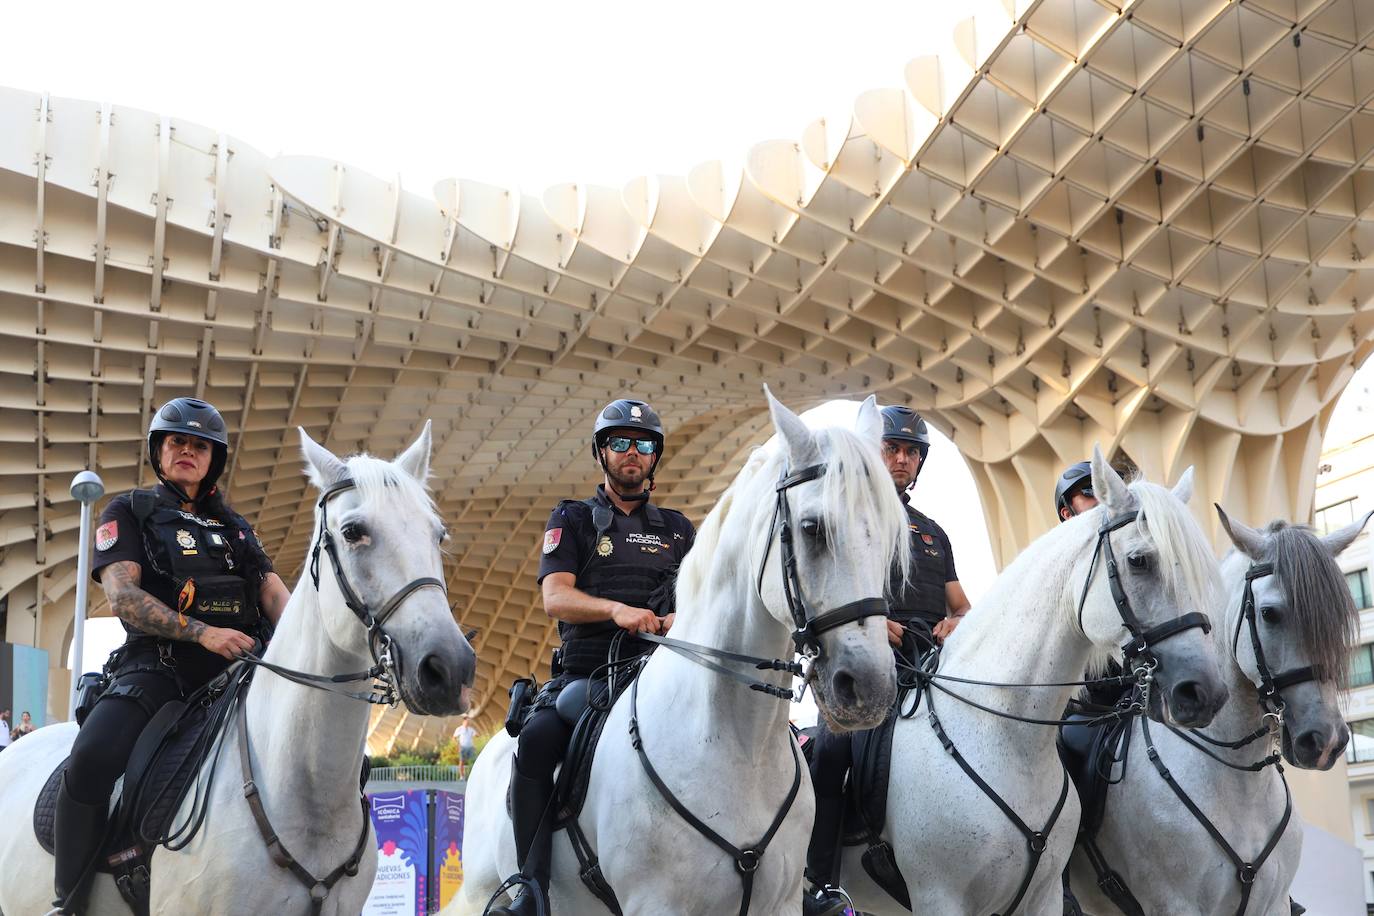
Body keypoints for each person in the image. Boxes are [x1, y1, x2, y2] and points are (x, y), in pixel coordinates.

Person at [49, 397, 291, 915]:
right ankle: (67, 900)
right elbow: (124, 598)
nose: (188, 450)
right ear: (159, 451)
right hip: (158, 669)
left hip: (242, 672)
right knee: (91, 759)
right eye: (177, 441)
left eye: (200, 445)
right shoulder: (128, 510)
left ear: (213, 460)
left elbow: (274, 596)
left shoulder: (237, 529)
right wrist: (204, 633)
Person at [491, 398, 696, 916]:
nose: (633, 453)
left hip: (663, 672)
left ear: (655, 457)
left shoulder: (678, 529)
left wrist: (681, 618)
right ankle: (529, 889)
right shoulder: (574, 518)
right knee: (535, 742)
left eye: (644, 444)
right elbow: (554, 596)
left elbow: (704, 601)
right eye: (620, 442)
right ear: (602, 453)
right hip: (588, 672)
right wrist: (616, 610)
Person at [803, 405, 971, 916]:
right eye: (892, 448)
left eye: (911, 452)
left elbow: (961, 604)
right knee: (830, 752)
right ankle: (819, 882)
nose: (902, 459)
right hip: (872, 666)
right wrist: (880, 627)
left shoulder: (933, 532)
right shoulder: (849, 517)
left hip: (934, 666)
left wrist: (956, 622)